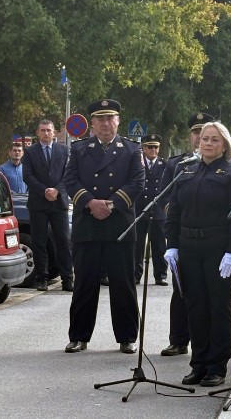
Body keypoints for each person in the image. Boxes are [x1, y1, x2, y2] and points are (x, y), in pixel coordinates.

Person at [165, 121, 231, 387]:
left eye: (215, 139)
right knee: (195, 307)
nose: (209, 143)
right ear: (198, 142)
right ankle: (198, 364)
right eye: (205, 139)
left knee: (218, 307)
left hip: (217, 250)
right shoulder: (186, 171)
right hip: (189, 247)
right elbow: (174, 211)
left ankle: (217, 366)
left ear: (224, 145)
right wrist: (172, 244)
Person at [63, 99, 145, 354]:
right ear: (93, 123)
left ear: (118, 121)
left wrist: (110, 204)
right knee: (85, 285)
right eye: (100, 119)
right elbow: (70, 180)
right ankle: (78, 336)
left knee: (123, 285)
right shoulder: (79, 149)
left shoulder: (131, 149)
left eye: (110, 118)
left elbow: (138, 182)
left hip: (118, 224)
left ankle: (127, 337)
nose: (106, 124)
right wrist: (90, 203)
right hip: (87, 224)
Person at [158, 111, 214, 357]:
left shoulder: (222, 165)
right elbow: (164, 198)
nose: (199, 137)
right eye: (195, 132)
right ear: (190, 136)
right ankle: (179, 339)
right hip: (182, 235)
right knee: (181, 289)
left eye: (204, 132)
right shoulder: (176, 164)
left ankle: (213, 342)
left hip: (210, 239)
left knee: (211, 292)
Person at [21, 120, 73, 292]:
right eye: (42, 130)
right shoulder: (29, 152)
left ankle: (67, 279)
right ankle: (41, 278)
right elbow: (27, 176)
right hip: (38, 203)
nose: (46, 133)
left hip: (59, 203)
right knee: (39, 241)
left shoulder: (64, 150)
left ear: (54, 132)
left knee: (63, 241)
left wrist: (57, 190)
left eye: (49, 130)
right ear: (37, 132)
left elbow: (69, 174)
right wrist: (44, 190)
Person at [134, 134, 169, 286]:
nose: (153, 150)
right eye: (150, 147)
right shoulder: (138, 164)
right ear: (143, 148)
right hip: (140, 209)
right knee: (137, 245)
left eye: (156, 147)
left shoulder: (164, 164)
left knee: (159, 244)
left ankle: (160, 275)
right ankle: (135, 274)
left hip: (158, 210)